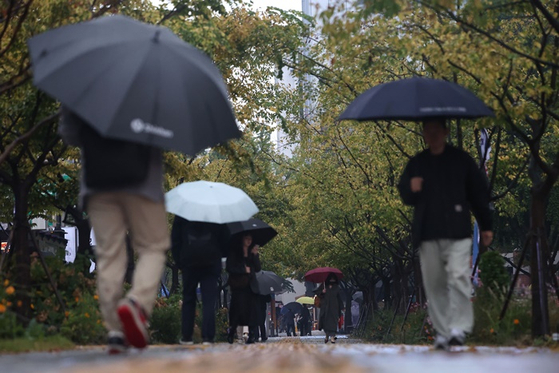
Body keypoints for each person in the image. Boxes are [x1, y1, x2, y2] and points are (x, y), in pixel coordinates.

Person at [58, 108, 170, 354]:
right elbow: (167, 132)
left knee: (109, 255)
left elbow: (68, 133)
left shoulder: (86, 85)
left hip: (99, 182)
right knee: (153, 247)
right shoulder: (155, 86)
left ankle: (116, 333)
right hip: (142, 181)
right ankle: (136, 303)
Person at [398, 118, 493, 350]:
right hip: (428, 234)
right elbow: (404, 194)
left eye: (436, 130)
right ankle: (442, 332)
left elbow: (479, 194)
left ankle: (458, 329)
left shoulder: (461, 161)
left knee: (459, 276)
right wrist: (412, 188)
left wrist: (487, 225)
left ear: (446, 132)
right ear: (423, 134)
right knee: (435, 283)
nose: (432, 135)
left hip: (458, 232)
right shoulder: (417, 164)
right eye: (427, 131)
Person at [171, 217, 226, 345]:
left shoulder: (183, 213)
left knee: (189, 298)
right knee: (208, 300)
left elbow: (175, 239)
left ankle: (186, 335)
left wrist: (179, 261)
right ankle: (208, 336)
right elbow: (225, 239)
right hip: (211, 263)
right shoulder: (216, 212)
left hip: (189, 262)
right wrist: (218, 256)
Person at [225, 233, 261, 344]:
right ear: (242, 239)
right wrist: (243, 270)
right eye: (247, 239)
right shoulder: (235, 252)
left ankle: (252, 335)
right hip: (239, 286)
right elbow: (229, 267)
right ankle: (232, 332)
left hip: (250, 286)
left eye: (250, 239)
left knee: (252, 310)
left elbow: (258, 268)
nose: (249, 241)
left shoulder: (252, 252)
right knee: (237, 310)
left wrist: (255, 255)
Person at [316, 273, 344, 343]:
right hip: (325, 308)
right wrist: (322, 292)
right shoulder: (324, 286)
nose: (332, 280)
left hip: (334, 308)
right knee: (326, 323)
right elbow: (317, 293)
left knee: (333, 322)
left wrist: (342, 307)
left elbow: (339, 298)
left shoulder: (337, 288)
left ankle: (332, 336)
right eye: (331, 278)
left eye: (333, 278)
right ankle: (327, 335)